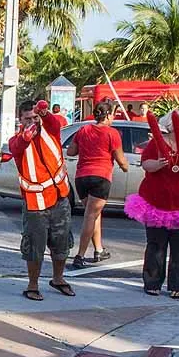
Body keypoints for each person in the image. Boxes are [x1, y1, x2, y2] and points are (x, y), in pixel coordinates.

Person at [124, 110, 179, 299]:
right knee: (156, 245)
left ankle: (177, 285)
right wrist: (158, 163)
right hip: (156, 203)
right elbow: (146, 163)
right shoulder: (156, 144)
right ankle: (152, 282)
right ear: (173, 126)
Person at [7, 98, 75, 300]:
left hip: (60, 196)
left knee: (62, 242)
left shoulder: (50, 130)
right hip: (35, 202)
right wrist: (26, 137)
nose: (32, 122)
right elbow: (16, 147)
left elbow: (53, 123)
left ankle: (58, 279)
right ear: (20, 120)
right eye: (28, 118)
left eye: (35, 117)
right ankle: (33, 284)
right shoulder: (17, 140)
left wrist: (44, 113)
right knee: (34, 245)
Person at [69, 100, 127, 268]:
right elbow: (121, 160)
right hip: (100, 177)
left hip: (82, 177)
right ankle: (80, 255)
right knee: (90, 215)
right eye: (113, 114)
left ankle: (99, 250)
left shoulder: (83, 130)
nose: (113, 118)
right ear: (107, 115)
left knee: (94, 213)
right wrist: (125, 167)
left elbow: (71, 151)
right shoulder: (112, 133)